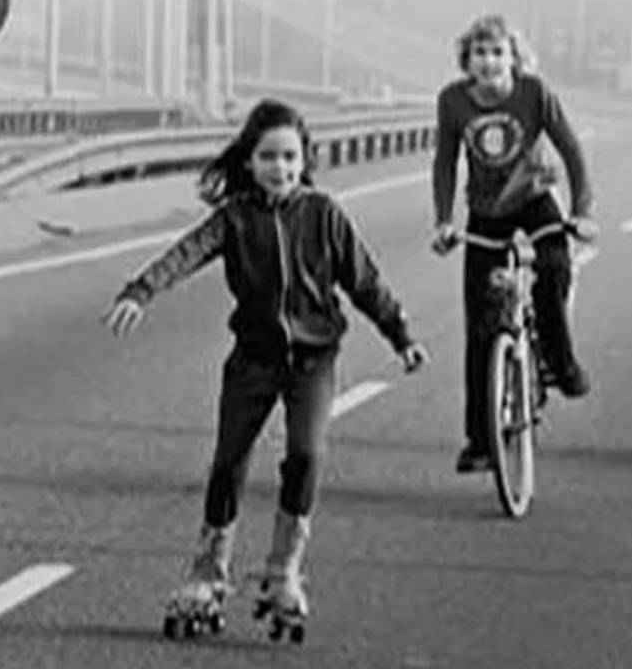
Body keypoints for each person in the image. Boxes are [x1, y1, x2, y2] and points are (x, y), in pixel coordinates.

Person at [104, 98, 428, 626]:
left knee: (306, 454)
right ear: (249, 162)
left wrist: (402, 336)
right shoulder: (234, 218)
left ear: (305, 160)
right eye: (269, 157)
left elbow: (365, 282)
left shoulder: (323, 214)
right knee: (229, 461)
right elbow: (185, 253)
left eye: (291, 157)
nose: (281, 167)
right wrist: (141, 291)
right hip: (254, 358)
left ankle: (284, 571)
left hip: (313, 359)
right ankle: (209, 571)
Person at [429, 13, 597, 473]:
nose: (489, 61)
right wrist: (444, 222)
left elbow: (572, 152)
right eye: (480, 53)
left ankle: (559, 363)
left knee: (555, 266)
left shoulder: (534, 93)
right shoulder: (453, 102)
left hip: (535, 197)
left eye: (498, 52)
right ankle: (480, 442)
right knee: (481, 327)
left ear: (514, 58)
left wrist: (582, 212)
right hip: (486, 210)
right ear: (467, 60)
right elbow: (444, 163)